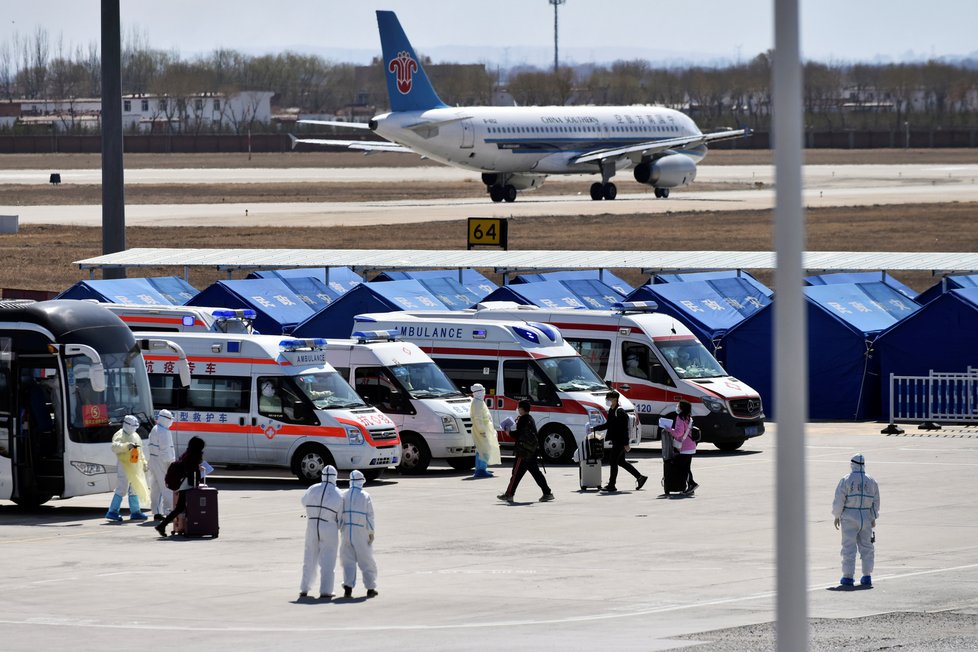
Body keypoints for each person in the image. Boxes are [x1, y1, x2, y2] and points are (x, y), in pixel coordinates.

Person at [832, 453, 880, 587]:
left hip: (849, 516)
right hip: (866, 516)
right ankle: (867, 575)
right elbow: (876, 501)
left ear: (852, 464)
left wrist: (837, 515)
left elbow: (839, 499)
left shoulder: (846, 479)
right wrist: (873, 516)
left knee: (848, 547)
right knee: (867, 547)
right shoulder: (871, 481)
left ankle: (848, 577)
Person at [497, 400, 555, 504]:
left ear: (522, 409)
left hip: (523, 452)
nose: (517, 409)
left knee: (516, 473)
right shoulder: (530, 419)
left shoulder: (523, 419)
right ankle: (547, 493)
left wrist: (509, 432)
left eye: (518, 407)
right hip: (531, 451)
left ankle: (509, 495)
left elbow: (519, 434)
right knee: (536, 473)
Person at [300, 465, 343, 600]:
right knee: (328, 558)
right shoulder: (338, 493)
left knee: (309, 556)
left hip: (312, 525)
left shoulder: (313, 488)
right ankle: (326, 590)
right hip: (329, 526)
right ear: (335, 477)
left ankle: (304, 588)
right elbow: (341, 515)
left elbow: (303, 501)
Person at [591, 391, 647, 492]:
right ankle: (640, 477)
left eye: (608, 399)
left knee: (613, 461)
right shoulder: (612, 411)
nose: (607, 401)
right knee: (621, 462)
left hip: (620, 441)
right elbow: (608, 425)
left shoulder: (620, 412)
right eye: (607, 399)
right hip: (616, 440)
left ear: (615, 399)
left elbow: (624, 429)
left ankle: (612, 485)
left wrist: (626, 443)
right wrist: (595, 428)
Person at [155, 436, 206, 537]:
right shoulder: (195, 456)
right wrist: (198, 476)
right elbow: (193, 472)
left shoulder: (187, 454)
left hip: (182, 483)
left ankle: (164, 525)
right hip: (186, 485)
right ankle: (166, 525)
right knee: (181, 507)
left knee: (180, 507)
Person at [339, 469, 378, 598]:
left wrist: (341, 527)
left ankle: (348, 588)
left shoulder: (344, 495)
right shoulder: (365, 496)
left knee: (347, 561)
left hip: (346, 532)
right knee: (366, 560)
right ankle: (370, 588)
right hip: (360, 531)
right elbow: (370, 516)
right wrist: (371, 532)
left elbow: (338, 513)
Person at [106, 415, 150, 522]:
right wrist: (126, 446)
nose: (135, 428)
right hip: (124, 465)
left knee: (134, 488)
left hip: (134, 465)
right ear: (127, 425)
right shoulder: (119, 434)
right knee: (122, 488)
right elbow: (114, 447)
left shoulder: (135, 435)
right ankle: (112, 511)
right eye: (133, 426)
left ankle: (135, 512)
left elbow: (140, 451)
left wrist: (144, 462)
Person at [147, 409, 176, 521]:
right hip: (162, 462)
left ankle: (156, 512)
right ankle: (169, 511)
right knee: (166, 487)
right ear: (166, 419)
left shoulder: (155, 429)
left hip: (153, 460)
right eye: (170, 420)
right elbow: (165, 451)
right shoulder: (164, 432)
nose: (171, 422)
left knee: (155, 488)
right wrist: (170, 465)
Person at [663, 400, 697, 496]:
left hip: (684, 447)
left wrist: (668, 429)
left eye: (678, 406)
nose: (677, 407)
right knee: (686, 467)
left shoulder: (680, 417)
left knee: (683, 467)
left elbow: (679, 433)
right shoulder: (689, 418)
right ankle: (690, 486)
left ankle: (691, 484)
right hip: (691, 446)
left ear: (682, 408)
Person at [469, 383, 500, 479]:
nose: (484, 392)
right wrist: (482, 431)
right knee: (483, 450)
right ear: (478, 392)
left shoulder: (479, 402)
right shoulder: (477, 403)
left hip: (483, 430)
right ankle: (481, 470)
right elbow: (478, 419)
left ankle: (481, 469)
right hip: (481, 431)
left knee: (482, 449)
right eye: (482, 391)